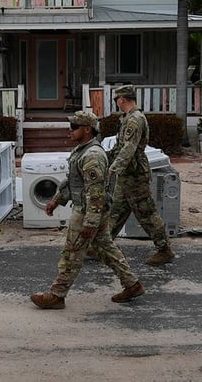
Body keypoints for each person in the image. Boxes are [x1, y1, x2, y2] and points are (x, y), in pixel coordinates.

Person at [30, 110, 145, 309]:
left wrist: (90, 222)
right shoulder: (82, 150)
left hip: (87, 211)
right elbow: (74, 182)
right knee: (105, 249)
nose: (70, 131)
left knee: (72, 253)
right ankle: (132, 284)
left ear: (87, 129)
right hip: (91, 210)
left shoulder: (92, 155)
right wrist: (56, 200)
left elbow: (96, 192)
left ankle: (57, 295)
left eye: (74, 127)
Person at [105, 85, 175, 265]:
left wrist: (114, 167)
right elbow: (120, 146)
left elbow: (129, 148)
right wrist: (106, 158)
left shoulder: (134, 120)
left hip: (135, 174)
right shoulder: (128, 118)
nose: (117, 103)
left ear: (122, 99)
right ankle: (102, 245)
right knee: (116, 211)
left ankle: (164, 249)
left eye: (116, 100)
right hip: (128, 173)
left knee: (147, 213)